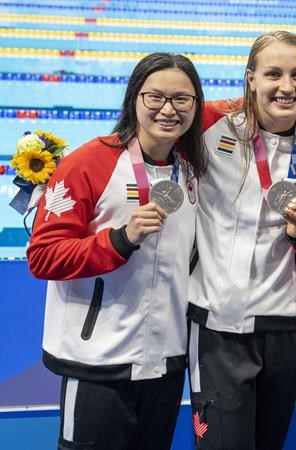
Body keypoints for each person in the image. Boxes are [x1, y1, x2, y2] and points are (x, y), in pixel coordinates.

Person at [26, 52, 207, 450]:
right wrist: (119, 239)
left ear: (196, 105)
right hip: (97, 361)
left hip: (164, 361)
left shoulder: (191, 171)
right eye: (155, 96)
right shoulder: (90, 162)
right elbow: (43, 256)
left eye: (182, 99)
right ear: (134, 98)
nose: (168, 109)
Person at [187, 31, 296, 450]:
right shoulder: (207, 124)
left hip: (286, 321)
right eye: (273, 73)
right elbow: (146, 141)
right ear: (251, 78)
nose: (287, 86)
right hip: (217, 322)